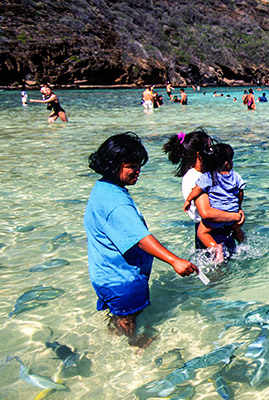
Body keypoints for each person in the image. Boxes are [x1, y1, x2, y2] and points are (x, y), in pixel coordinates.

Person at [84, 132, 197, 345]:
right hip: (122, 281)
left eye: (139, 165)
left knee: (119, 320)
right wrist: (175, 261)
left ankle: (117, 338)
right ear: (113, 164)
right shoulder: (117, 203)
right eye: (131, 166)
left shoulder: (103, 189)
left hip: (106, 275)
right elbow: (141, 239)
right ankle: (134, 347)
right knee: (131, 331)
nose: (138, 171)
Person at [163, 129, 245, 258]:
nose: (213, 151)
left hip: (224, 226)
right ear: (199, 154)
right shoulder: (196, 178)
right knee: (218, 268)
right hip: (209, 232)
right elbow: (206, 213)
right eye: (209, 148)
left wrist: (238, 211)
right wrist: (235, 216)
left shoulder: (212, 172)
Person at [183, 143, 245, 263]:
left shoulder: (208, 176)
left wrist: (188, 200)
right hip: (231, 212)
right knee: (235, 233)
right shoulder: (235, 175)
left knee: (202, 232)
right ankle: (243, 240)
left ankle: (216, 248)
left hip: (216, 218)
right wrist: (238, 210)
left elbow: (198, 190)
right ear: (227, 163)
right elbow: (240, 192)